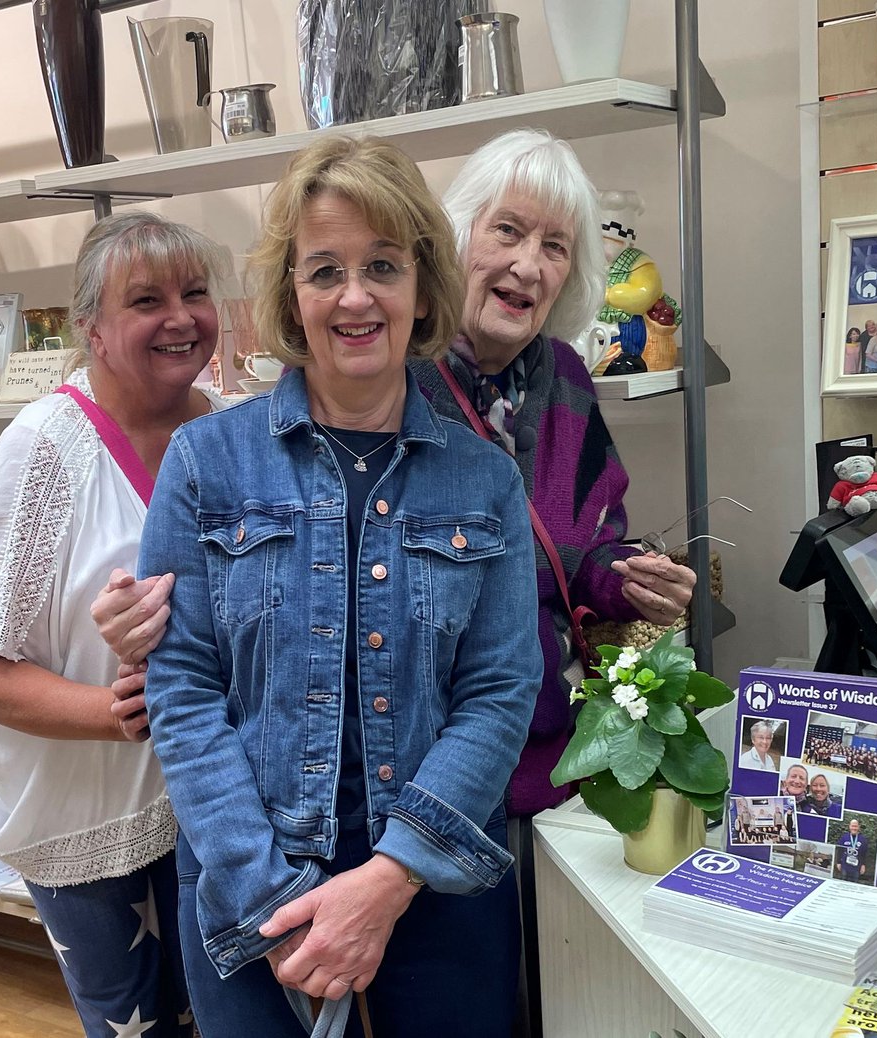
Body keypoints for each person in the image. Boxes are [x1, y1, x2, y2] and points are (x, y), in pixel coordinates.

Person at [135, 135, 540, 1038]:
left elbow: (501, 691)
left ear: (423, 289)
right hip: (250, 877)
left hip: (437, 875)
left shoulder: (486, 481)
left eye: (383, 266)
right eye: (325, 271)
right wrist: (269, 898)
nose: (355, 297)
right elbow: (183, 689)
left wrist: (388, 880)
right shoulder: (205, 464)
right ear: (292, 295)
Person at [0, 211, 231, 1037]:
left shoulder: (229, 427)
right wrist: (113, 714)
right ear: (91, 328)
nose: (180, 317)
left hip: (213, 800)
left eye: (195, 292)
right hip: (89, 822)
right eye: (146, 300)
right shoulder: (42, 454)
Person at [411, 129, 696, 818]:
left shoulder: (564, 375)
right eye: (507, 231)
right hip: (430, 766)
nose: (528, 265)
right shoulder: (397, 380)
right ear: (459, 235)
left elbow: (591, 541)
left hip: (553, 754)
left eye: (555, 246)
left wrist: (633, 581)